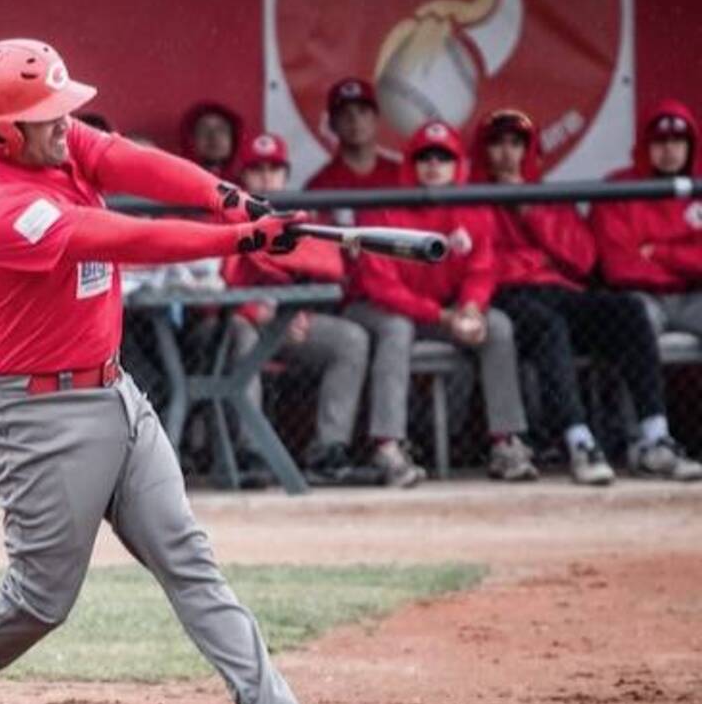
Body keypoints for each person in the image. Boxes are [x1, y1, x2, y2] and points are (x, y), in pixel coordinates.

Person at [0, 38, 349, 704]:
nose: (64, 124)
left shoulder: (54, 144)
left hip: (112, 390)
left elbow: (130, 162)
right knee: (38, 603)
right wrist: (236, 238)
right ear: (2, 132)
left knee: (187, 556)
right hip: (37, 420)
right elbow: (126, 237)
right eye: (47, 116)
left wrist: (219, 193)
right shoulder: (2, 210)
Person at [478, 109, 701, 483]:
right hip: (505, 296)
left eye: (515, 143)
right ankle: (578, 441)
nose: (506, 153)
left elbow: (583, 260)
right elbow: (477, 263)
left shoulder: (546, 194)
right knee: (550, 327)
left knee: (628, 311)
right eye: (497, 143)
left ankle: (654, 437)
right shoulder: (471, 194)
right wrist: (533, 258)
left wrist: (532, 213)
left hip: (558, 291)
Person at [344, 120, 538, 487]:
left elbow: (483, 270)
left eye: (443, 157)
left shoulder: (471, 207)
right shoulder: (384, 208)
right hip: (375, 310)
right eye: (425, 156)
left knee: (497, 326)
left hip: (442, 312)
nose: (434, 164)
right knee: (396, 328)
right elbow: (381, 286)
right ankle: (387, 447)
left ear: (457, 163)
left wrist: (470, 309)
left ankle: (506, 442)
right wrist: (444, 316)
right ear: (411, 163)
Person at [220, 133, 373, 484]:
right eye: (256, 169)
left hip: (289, 323)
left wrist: (293, 312)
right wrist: (255, 311)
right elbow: (214, 288)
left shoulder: (302, 218)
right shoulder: (226, 216)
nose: (266, 177)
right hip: (243, 322)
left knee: (351, 340)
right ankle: (251, 453)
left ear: (286, 174)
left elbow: (331, 272)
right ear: (243, 178)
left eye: (274, 168)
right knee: (243, 338)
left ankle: (328, 451)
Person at [592, 99, 702, 340]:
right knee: (634, 319)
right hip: (642, 297)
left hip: (694, 295)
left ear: (690, 145)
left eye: (678, 141)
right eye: (660, 141)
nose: (670, 150)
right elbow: (619, 268)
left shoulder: (699, 187)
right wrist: (684, 266)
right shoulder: (618, 189)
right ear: (645, 144)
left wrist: (660, 253)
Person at [305, 78, 402, 192]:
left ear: (376, 118)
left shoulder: (401, 176)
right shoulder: (320, 185)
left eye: (362, 111)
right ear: (332, 124)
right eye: (345, 113)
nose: (355, 120)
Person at [180, 101, 242, 178]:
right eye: (204, 130)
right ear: (191, 139)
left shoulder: (248, 183)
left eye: (221, 130)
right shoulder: (179, 179)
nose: (214, 136)